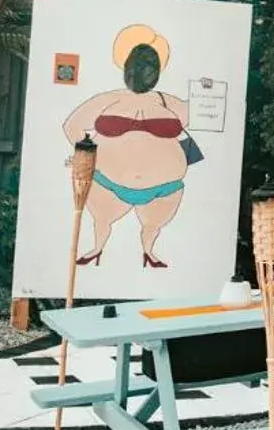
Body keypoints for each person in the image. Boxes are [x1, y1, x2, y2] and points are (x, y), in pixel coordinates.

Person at [62, 24, 199, 268]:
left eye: (148, 68)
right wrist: (85, 153)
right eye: (138, 67)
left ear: (156, 72)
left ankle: (149, 252)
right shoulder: (109, 99)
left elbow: (204, 115)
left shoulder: (170, 103)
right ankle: (97, 248)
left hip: (163, 188)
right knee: (102, 221)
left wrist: (207, 92)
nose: (142, 73)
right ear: (127, 69)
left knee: (152, 226)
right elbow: (72, 126)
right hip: (109, 184)